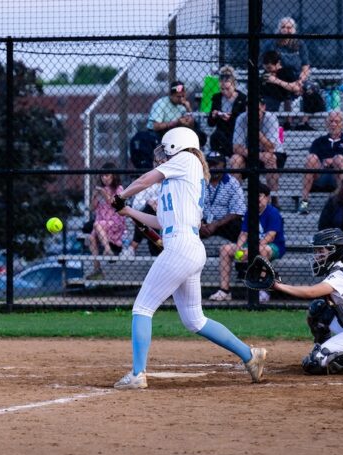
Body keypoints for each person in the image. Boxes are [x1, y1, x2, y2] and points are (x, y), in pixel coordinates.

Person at [110, 127, 267, 389]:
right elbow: (160, 221)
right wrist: (127, 211)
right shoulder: (176, 179)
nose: (162, 153)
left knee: (142, 308)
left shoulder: (187, 159)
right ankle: (251, 356)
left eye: (165, 147)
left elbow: (145, 179)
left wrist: (121, 195)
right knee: (195, 320)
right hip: (186, 246)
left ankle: (138, 374)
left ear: (177, 145)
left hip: (181, 246)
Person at [271, 228, 343, 376]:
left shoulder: (340, 274)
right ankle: (323, 347)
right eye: (316, 251)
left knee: (314, 364)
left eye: (320, 251)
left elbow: (310, 292)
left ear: (333, 250)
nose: (317, 255)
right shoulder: (336, 271)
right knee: (318, 310)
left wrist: (277, 285)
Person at [209, 182, 285, 303]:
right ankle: (224, 291)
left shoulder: (272, 212)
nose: (256, 199)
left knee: (262, 250)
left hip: (273, 246)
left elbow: (270, 236)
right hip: (251, 246)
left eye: (259, 196)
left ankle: (262, 290)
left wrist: (250, 250)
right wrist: (240, 248)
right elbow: (244, 234)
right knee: (225, 249)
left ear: (267, 198)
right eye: (253, 196)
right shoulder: (250, 212)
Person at [298, 111, 343, 215]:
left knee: (339, 158)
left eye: (337, 122)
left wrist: (336, 161)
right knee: (311, 157)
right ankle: (304, 202)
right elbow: (312, 163)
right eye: (331, 121)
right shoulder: (319, 141)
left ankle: (342, 202)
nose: (333, 124)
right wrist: (323, 163)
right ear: (326, 123)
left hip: (341, 177)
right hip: (321, 176)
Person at [229, 97, 285, 205]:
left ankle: (273, 199)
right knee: (235, 159)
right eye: (250, 111)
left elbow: (271, 147)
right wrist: (258, 155)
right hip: (251, 153)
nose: (253, 114)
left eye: (257, 110)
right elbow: (236, 148)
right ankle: (236, 200)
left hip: (272, 153)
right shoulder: (241, 118)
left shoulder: (270, 118)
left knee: (270, 158)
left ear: (263, 107)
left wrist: (255, 130)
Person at [260, 17, 312, 129]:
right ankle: (284, 122)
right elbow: (264, 61)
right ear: (278, 29)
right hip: (279, 75)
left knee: (311, 88)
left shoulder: (300, 44)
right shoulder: (271, 43)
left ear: (294, 30)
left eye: (289, 27)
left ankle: (303, 123)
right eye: (283, 27)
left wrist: (300, 80)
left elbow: (306, 66)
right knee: (269, 90)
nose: (286, 30)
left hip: (297, 76)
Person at [86, 165, 126, 280]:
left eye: (107, 175)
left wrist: (104, 194)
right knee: (91, 237)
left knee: (96, 224)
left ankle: (108, 250)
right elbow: (92, 208)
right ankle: (97, 269)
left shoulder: (119, 189)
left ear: (113, 175)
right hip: (101, 223)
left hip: (115, 222)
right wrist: (94, 197)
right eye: (102, 175)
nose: (104, 178)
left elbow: (114, 204)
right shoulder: (100, 190)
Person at [200, 151, 246, 244]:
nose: (212, 167)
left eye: (216, 164)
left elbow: (238, 211)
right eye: (209, 164)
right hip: (202, 222)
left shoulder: (232, 183)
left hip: (224, 223)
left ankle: (237, 249)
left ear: (224, 166)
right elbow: (190, 206)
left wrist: (216, 224)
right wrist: (200, 224)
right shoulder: (199, 181)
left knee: (237, 225)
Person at [147, 80, 206, 148]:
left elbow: (192, 125)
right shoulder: (161, 103)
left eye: (183, 96)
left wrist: (188, 109)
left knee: (198, 133)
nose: (181, 99)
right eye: (178, 96)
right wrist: (176, 122)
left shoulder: (184, 104)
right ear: (171, 95)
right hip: (160, 133)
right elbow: (155, 126)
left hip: (176, 133)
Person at [207, 67, 248, 157]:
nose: (224, 92)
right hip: (221, 130)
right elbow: (210, 123)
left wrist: (231, 118)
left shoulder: (242, 98)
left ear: (234, 85)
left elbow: (244, 120)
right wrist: (214, 115)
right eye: (222, 89)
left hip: (237, 131)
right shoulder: (217, 98)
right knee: (216, 136)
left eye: (227, 89)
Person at [119, 182, 162, 259]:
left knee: (146, 220)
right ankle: (157, 252)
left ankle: (132, 247)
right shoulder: (148, 184)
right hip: (148, 215)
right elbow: (136, 204)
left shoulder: (169, 184)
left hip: (163, 215)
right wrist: (148, 202)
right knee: (149, 208)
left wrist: (159, 204)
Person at [260, 50, 303, 115]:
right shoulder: (265, 74)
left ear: (278, 63)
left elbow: (296, 88)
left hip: (284, 99)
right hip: (268, 100)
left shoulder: (286, 72)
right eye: (265, 68)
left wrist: (276, 80)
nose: (267, 70)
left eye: (269, 68)